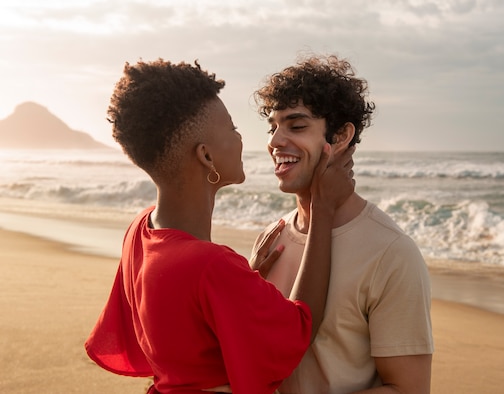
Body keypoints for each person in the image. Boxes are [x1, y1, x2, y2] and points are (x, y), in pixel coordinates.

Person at [84, 58, 355, 394]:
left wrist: (238, 288)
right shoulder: (211, 267)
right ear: (206, 157)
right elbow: (299, 331)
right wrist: (322, 207)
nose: (256, 141)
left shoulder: (140, 230)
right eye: (233, 129)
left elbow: (183, 325)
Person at [250, 54, 434, 393]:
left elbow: (409, 389)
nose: (275, 141)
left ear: (341, 136)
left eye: (297, 125)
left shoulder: (390, 252)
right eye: (273, 126)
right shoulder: (270, 239)